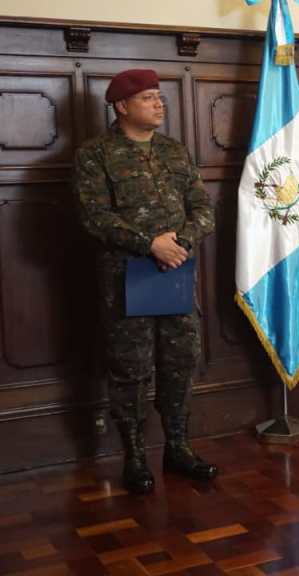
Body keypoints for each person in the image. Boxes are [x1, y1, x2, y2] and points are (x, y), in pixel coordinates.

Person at [73, 69, 218, 494]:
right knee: (130, 368)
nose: (159, 103)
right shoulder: (95, 154)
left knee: (180, 361)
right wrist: (149, 244)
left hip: (176, 273)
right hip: (126, 278)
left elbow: (202, 208)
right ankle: (134, 456)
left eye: (159, 96)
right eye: (148, 98)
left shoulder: (175, 151)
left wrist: (181, 243)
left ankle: (178, 447)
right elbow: (94, 217)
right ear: (122, 107)